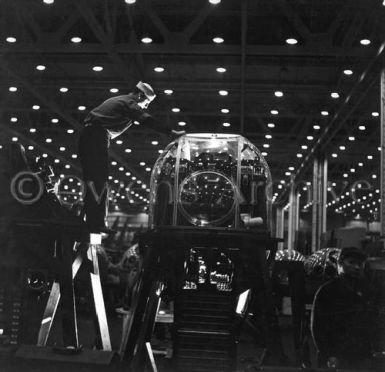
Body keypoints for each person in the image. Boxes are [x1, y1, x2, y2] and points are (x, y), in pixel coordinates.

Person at [78, 81, 183, 234]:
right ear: (140, 95)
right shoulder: (128, 103)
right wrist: (170, 132)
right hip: (96, 137)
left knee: (94, 180)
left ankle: (91, 221)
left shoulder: (120, 100)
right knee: (99, 181)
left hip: (92, 136)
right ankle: (96, 223)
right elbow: (146, 119)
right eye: (146, 103)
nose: (145, 107)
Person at [311, 246, 381, 369]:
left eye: (360, 263)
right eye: (352, 262)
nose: (357, 267)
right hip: (336, 356)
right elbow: (318, 327)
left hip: (362, 355)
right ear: (340, 264)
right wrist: (329, 355)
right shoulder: (328, 291)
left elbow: (375, 322)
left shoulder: (368, 291)